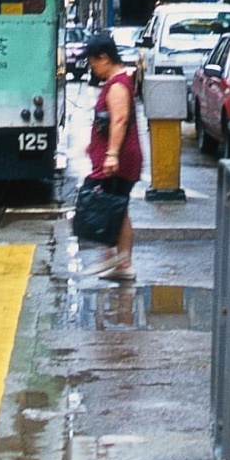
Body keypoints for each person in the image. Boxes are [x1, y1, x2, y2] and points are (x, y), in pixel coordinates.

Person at [81, 32, 141, 283]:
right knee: (119, 206)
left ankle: (114, 256)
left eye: (93, 62)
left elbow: (119, 119)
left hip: (121, 159)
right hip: (120, 157)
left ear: (104, 57)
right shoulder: (119, 81)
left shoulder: (117, 85)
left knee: (111, 205)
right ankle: (122, 262)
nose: (92, 68)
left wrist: (111, 154)